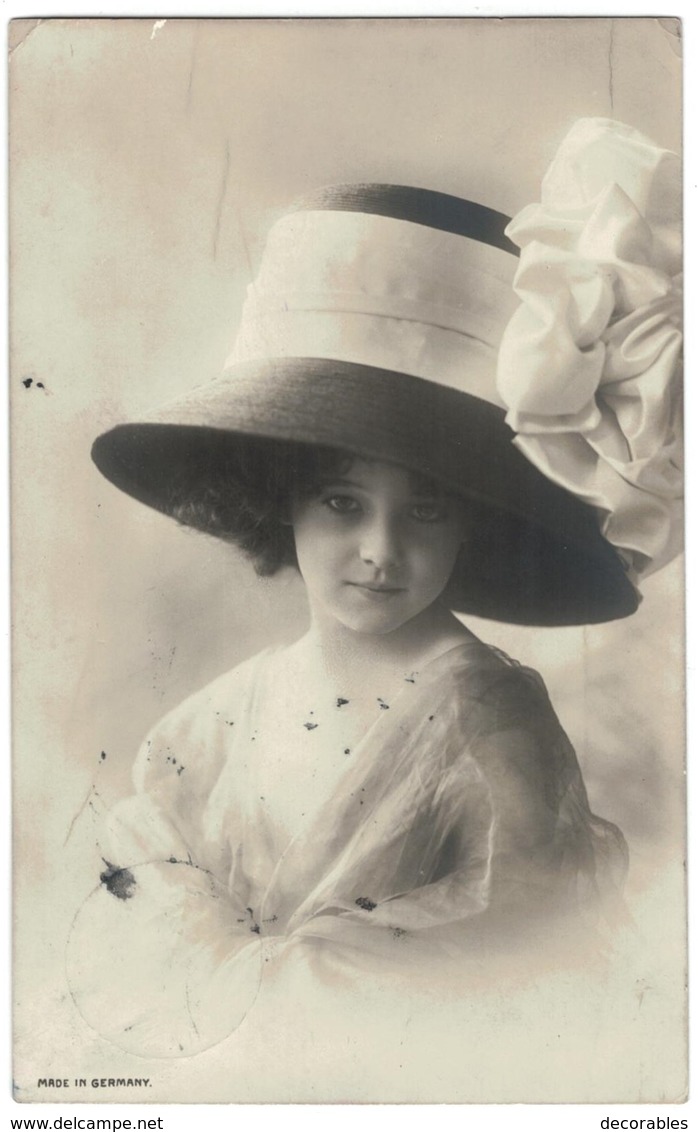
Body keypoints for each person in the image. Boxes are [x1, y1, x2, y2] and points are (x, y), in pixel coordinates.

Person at [67, 118, 681, 1059]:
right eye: (343, 503)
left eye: (426, 512)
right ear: (284, 503)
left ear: (475, 518)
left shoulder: (490, 715)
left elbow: (519, 940)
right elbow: (137, 869)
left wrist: (282, 990)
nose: (379, 551)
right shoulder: (220, 718)